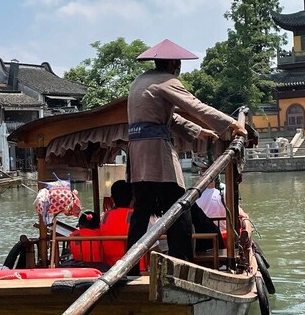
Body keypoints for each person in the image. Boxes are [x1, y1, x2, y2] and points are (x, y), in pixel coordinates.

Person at [126, 39, 247, 275]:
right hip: (155, 152)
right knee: (179, 207)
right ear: (172, 63)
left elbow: (168, 119)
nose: (179, 67)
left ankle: (129, 266)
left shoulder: (140, 82)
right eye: (178, 63)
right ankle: (182, 262)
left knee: (142, 210)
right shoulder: (166, 81)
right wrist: (231, 124)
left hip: (137, 152)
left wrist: (199, 131)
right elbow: (195, 105)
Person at [99, 180, 134, 266]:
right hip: (138, 269)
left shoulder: (104, 217)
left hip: (110, 267)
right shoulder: (138, 217)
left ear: (112, 198)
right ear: (133, 197)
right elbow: (154, 248)